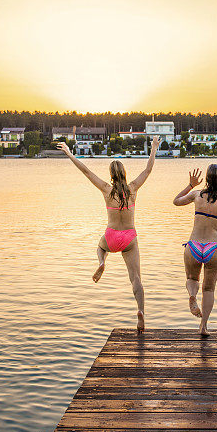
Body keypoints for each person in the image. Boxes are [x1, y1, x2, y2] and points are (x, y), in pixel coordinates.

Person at [58, 135, 159, 332]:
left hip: (111, 236)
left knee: (100, 246)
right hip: (129, 237)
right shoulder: (133, 189)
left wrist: (69, 153)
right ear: (124, 173)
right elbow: (148, 169)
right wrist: (154, 147)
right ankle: (141, 312)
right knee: (136, 278)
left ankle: (102, 261)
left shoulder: (106, 189)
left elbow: (86, 171)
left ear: (111, 175)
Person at [173, 164, 217, 337]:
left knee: (191, 278)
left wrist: (191, 185)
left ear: (208, 179)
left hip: (194, 245)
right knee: (209, 289)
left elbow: (176, 201)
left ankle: (192, 296)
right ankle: (203, 326)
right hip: (213, 247)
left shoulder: (197, 195)